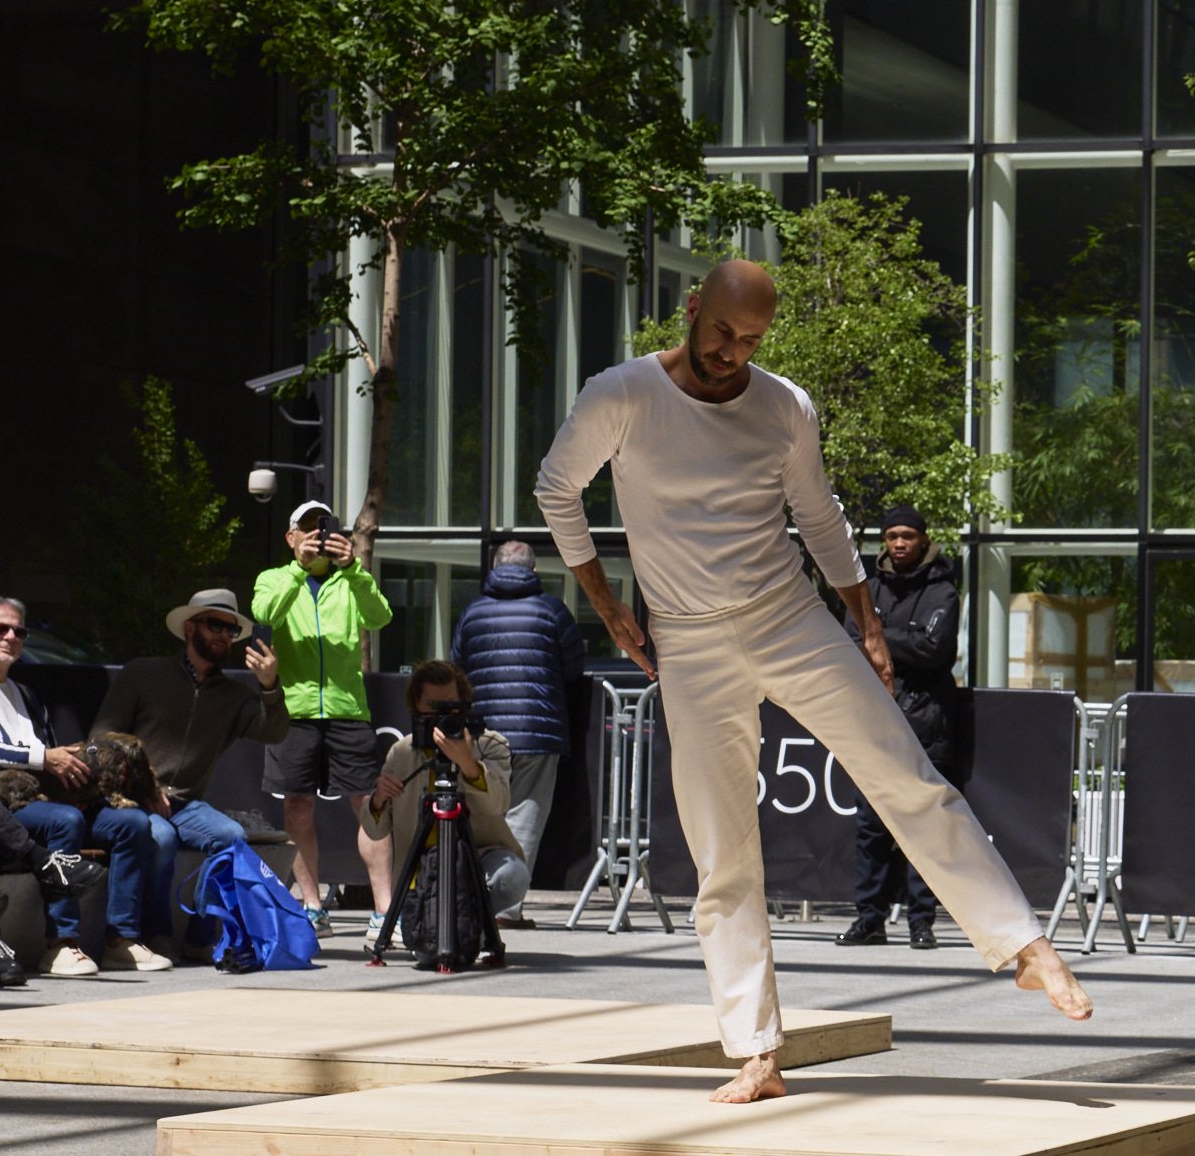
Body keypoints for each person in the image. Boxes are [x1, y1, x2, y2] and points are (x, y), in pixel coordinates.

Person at [535, 256, 1094, 1104]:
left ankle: (1024, 944)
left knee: (905, 773)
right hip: (686, 641)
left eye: (751, 339)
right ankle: (756, 1050)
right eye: (721, 331)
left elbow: (820, 515)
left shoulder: (784, 405)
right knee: (723, 850)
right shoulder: (623, 394)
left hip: (786, 615)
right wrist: (609, 606)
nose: (732, 352)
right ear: (691, 311)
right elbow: (556, 489)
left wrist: (866, 622)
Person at [90, 587, 291, 966]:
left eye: (230, 630)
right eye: (215, 624)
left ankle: (201, 937)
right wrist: (144, 789)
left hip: (185, 805)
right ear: (189, 628)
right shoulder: (143, 673)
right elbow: (102, 741)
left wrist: (269, 686)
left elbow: (274, 731)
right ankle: (156, 936)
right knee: (161, 837)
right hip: (130, 800)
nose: (222, 636)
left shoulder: (232, 694)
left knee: (232, 837)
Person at [0, 594, 119, 976]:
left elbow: (46, 751)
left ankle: (125, 939)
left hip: (43, 797)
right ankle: (61, 942)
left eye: (19, 631)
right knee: (64, 822)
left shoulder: (25, 693)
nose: (10, 636)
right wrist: (44, 759)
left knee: (135, 825)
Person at [253, 500, 394, 935]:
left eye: (324, 528)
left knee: (369, 805)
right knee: (297, 807)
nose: (317, 536)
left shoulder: (352, 580)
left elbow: (380, 617)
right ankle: (312, 906)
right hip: (293, 710)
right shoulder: (275, 578)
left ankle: (386, 911)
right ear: (291, 537)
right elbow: (264, 614)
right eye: (308, 530)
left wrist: (353, 569)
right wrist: (299, 569)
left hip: (346, 708)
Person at [835, 505, 970, 952]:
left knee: (926, 827)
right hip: (874, 721)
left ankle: (921, 921)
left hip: (928, 723)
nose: (898, 543)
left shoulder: (943, 589)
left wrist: (876, 633)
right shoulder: (868, 587)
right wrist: (891, 634)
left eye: (907, 536)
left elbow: (934, 648)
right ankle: (869, 919)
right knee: (872, 827)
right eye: (892, 535)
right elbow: (846, 643)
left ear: (923, 540)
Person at [450, 537, 583, 918]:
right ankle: (506, 907)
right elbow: (573, 666)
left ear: (494, 569)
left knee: (486, 816)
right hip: (538, 733)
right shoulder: (551, 611)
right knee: (524, 819)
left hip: (483, 735)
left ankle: (474, 899)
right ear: (534, 570)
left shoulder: (473, 612)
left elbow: (457, 666)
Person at [362, 659, 532, 928]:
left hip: (475, 859)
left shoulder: (489, 744)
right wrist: (379, 799)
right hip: (420, 867)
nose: (441, 715)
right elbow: (374, 830)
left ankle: (467, 924)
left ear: (463, 702)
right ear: (416, 704)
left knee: (510, 876)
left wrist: (467, 763)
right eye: (432, 706)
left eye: (450, 706)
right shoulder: (402, 752)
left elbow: (498, 805)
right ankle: (442, 925)